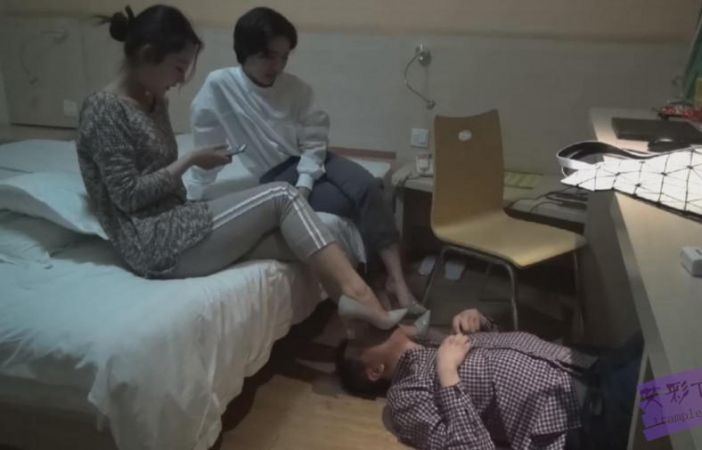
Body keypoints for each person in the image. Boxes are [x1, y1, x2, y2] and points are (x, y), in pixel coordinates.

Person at [76, 4, 405, 329]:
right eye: (178, 68)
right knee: (282, 195)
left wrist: (192, 189)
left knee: (313, 239)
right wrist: (190, 160)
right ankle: (364, 300)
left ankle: (365, 331)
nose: (182, 79)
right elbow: (128, 196)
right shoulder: (105, 110)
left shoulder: (153, 100)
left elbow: (315, 135)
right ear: (148, 55)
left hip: (181, 220)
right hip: (153, 243)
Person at [187, 7, 424, 314]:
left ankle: (397, 282)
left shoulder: (296, 89)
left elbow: (314, 139)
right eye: (268, 56)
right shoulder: (220, 86)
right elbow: (208, 144)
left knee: (369, 187)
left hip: (314, 158)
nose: (277, 66)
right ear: (245, 50)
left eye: (284, 57)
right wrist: (194, 193)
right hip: (276, 172)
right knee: (349, 204)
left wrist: (306, 182)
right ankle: (377, 282)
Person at [336, 309, 643, 450]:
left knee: (663, 335)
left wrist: (483, 325)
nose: (368, 326)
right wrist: (447, 374)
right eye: (363, 339)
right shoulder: (404, 398)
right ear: (374, 371)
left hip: (590, 367)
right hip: (584, 417)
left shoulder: (432, 342)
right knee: (675, 392)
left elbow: (498, 370)